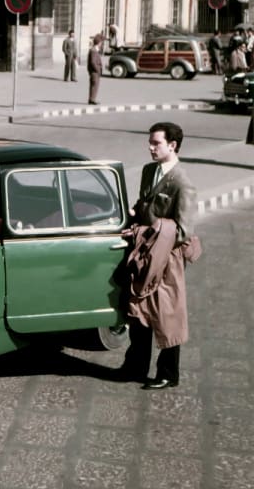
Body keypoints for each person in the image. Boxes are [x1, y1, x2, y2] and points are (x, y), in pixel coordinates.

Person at [117, 122, 198, 390]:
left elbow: (184, 230)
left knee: (167, 313)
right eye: (150, 143)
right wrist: (132, 212)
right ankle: (135, 366)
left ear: (172, 146)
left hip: (167, 258)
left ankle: (168, 373)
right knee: (138, 309)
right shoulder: (149, 170)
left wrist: (147, 233)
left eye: (156, 143)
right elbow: (144, 205)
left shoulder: (183, 184)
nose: (151, 148)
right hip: (144, 254)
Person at [87, 34, 103, 105]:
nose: (101, 44)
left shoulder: (95, 50)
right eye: (101, 43)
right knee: (94, 85)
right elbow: (93, 62)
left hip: (94, 71)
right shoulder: (93, 51)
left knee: (95, 85)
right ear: (99, 42)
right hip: (94, 71)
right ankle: (92, 99)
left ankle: (92, 99)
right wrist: (97, 70)